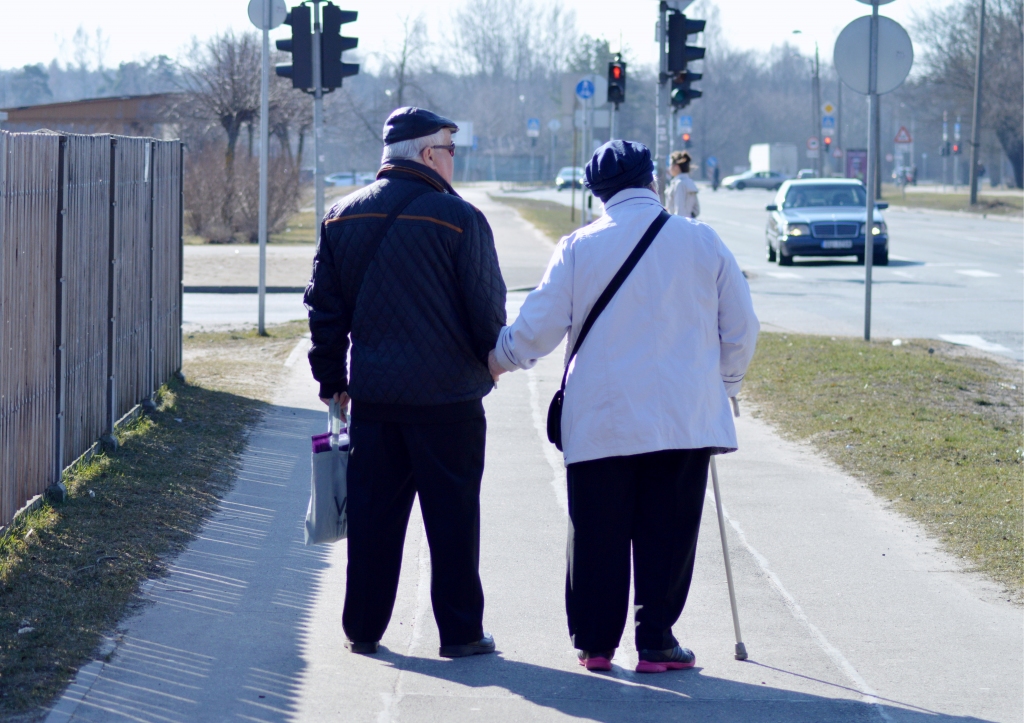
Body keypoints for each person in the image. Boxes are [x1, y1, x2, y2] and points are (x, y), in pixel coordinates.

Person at [487, 140, 758, 674]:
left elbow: (537, 328)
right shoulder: (702, 241)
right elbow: (741, 327)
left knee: (597, 531)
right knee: (671, 529)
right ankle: (656, 641)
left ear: (597, 193)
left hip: (601, 415)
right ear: (652, 180)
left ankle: (595, 643)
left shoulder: (578, 246)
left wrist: (498, 359)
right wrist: (724, 383)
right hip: (684, 416)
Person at [305, 107, 506, 659]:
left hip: (375, 400)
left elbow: (324, 311)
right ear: (426, 154)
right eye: (449, 150)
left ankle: (363, 628)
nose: (453, 162)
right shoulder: (459, 218)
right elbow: (487, 311)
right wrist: (494, 360)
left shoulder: (340, 216)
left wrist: (333, 382)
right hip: (449, 402)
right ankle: (462, 634)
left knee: (373, 520)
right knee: (454, 520)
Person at [666, 150, 700, 218]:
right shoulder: (690, 182)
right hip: (688, 223)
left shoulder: (679, 184)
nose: (669, 168)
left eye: (670, 165)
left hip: (677, 224)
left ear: (676, 166)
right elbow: (696, 210)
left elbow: (679, 211)